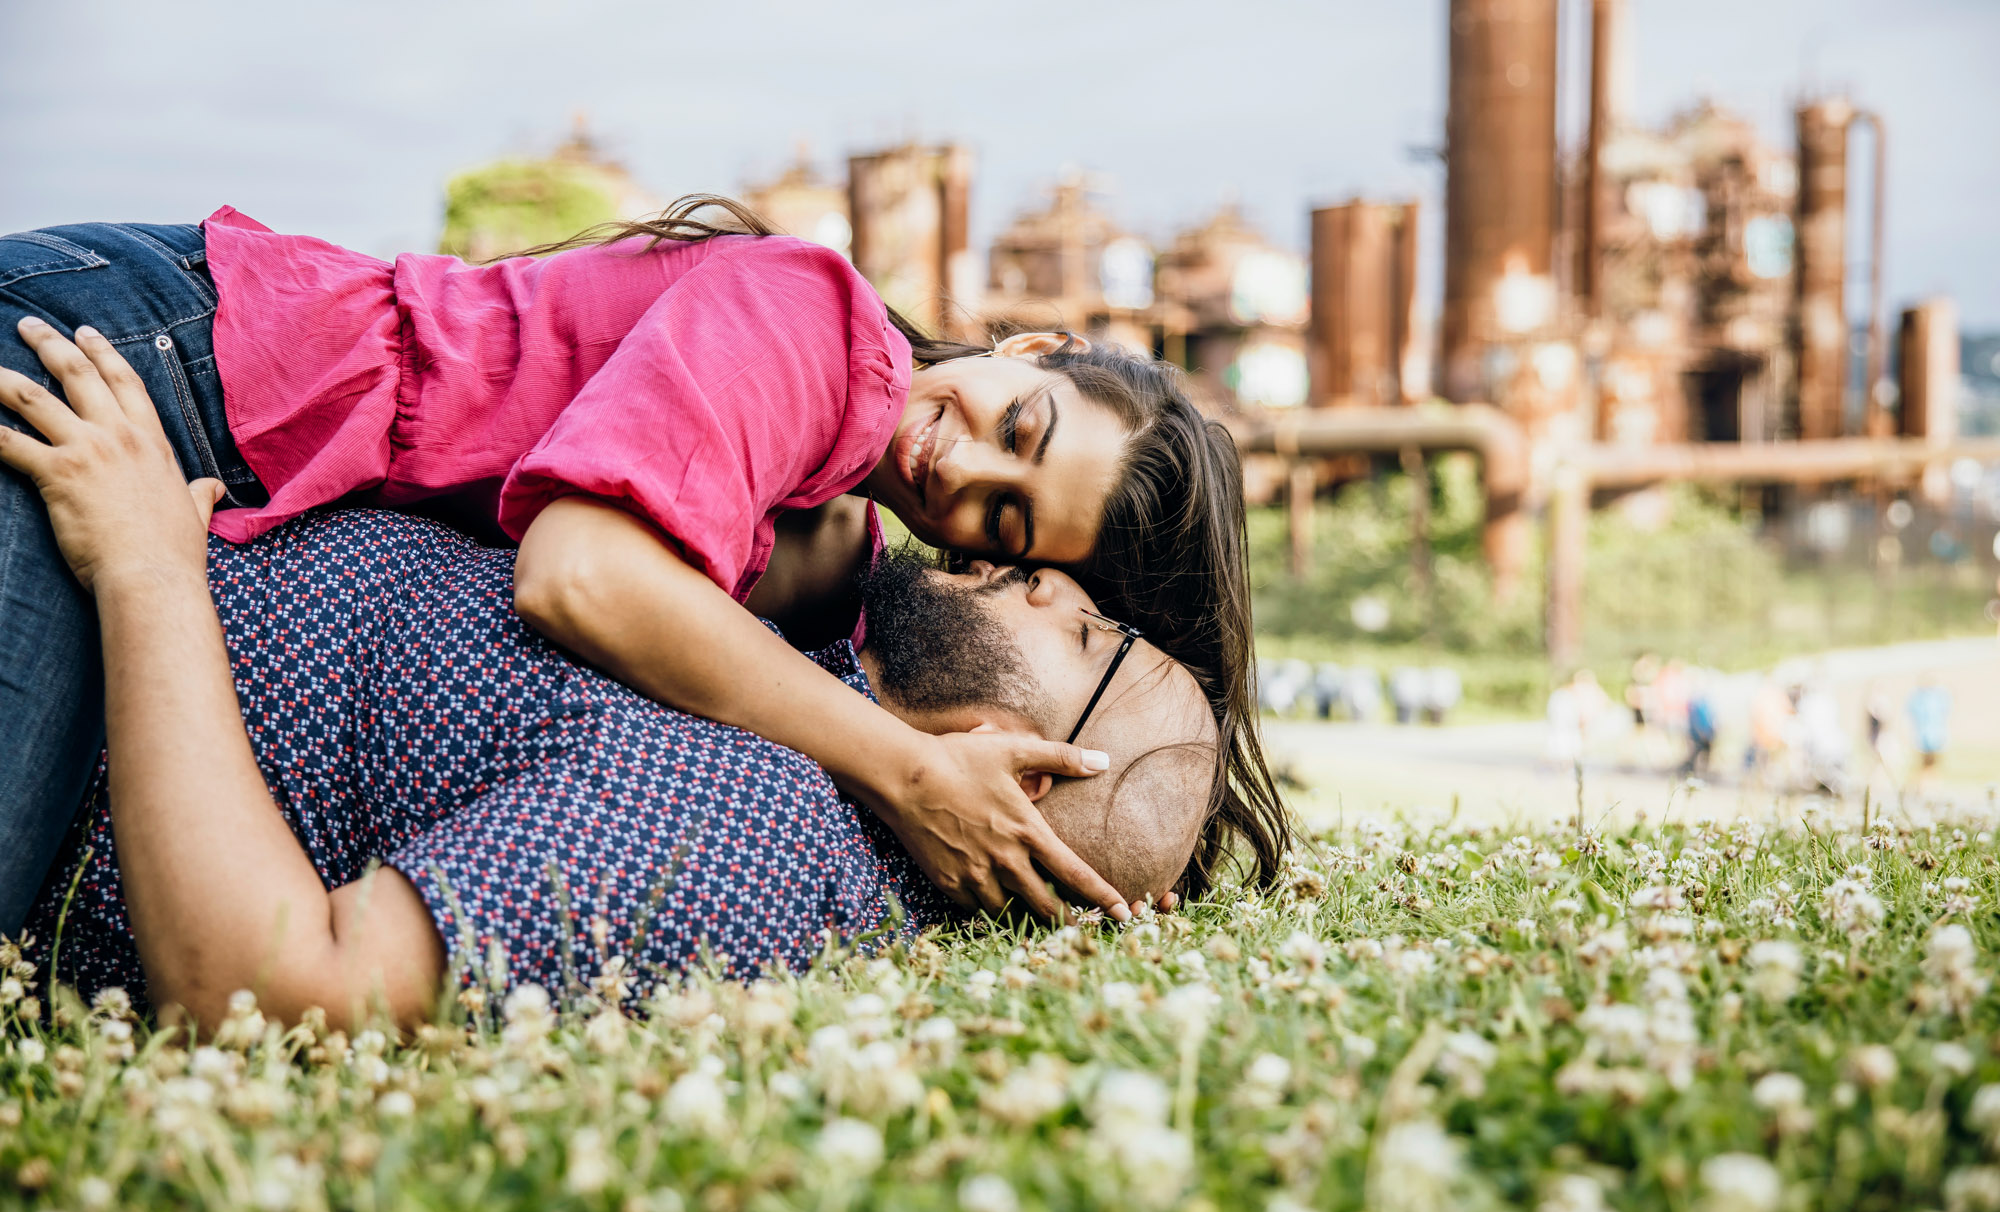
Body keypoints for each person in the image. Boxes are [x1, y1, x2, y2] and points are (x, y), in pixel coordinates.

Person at [0, 203, 1287, 930]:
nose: (967, 475)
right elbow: (578, 577)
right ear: (1035, 343)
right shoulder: (814, 324)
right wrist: (908, 769)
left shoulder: (841, 537)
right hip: (183, 362)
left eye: (1005, 530)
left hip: (224, 471)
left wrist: (1122, 834)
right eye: (1022, 428)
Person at [1, 329, 1218, 1027]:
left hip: (71, 649)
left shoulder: (745, 835)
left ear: (1030, 773)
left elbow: (273, 992)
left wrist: (146, 569)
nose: (1055, 585)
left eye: (1092, 638)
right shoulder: (825, 686)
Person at [1907, 677, 1952, 787]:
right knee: (1923, 763)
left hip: (1936, 735)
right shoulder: (1918, 698)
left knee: (1934, 763)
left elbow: (1945, 714)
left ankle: (1931, 785)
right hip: (1923, 736)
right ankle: (1919, 785)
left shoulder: (1939, 696)